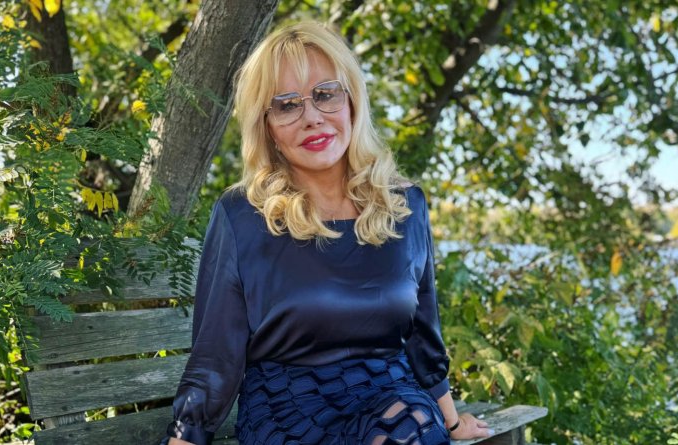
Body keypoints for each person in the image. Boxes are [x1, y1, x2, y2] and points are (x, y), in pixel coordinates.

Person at [161, 21, 493, 445]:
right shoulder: (243, 215)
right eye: (287, 105)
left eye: (325, 94)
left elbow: (423, 330)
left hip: (391, 398)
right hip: (288, 409)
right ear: (267, 126)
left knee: (407, 426)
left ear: (352, 100)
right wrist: (186, 436)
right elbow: (215, 354)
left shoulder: (404, 206)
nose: (312, 118)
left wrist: (450, 420)